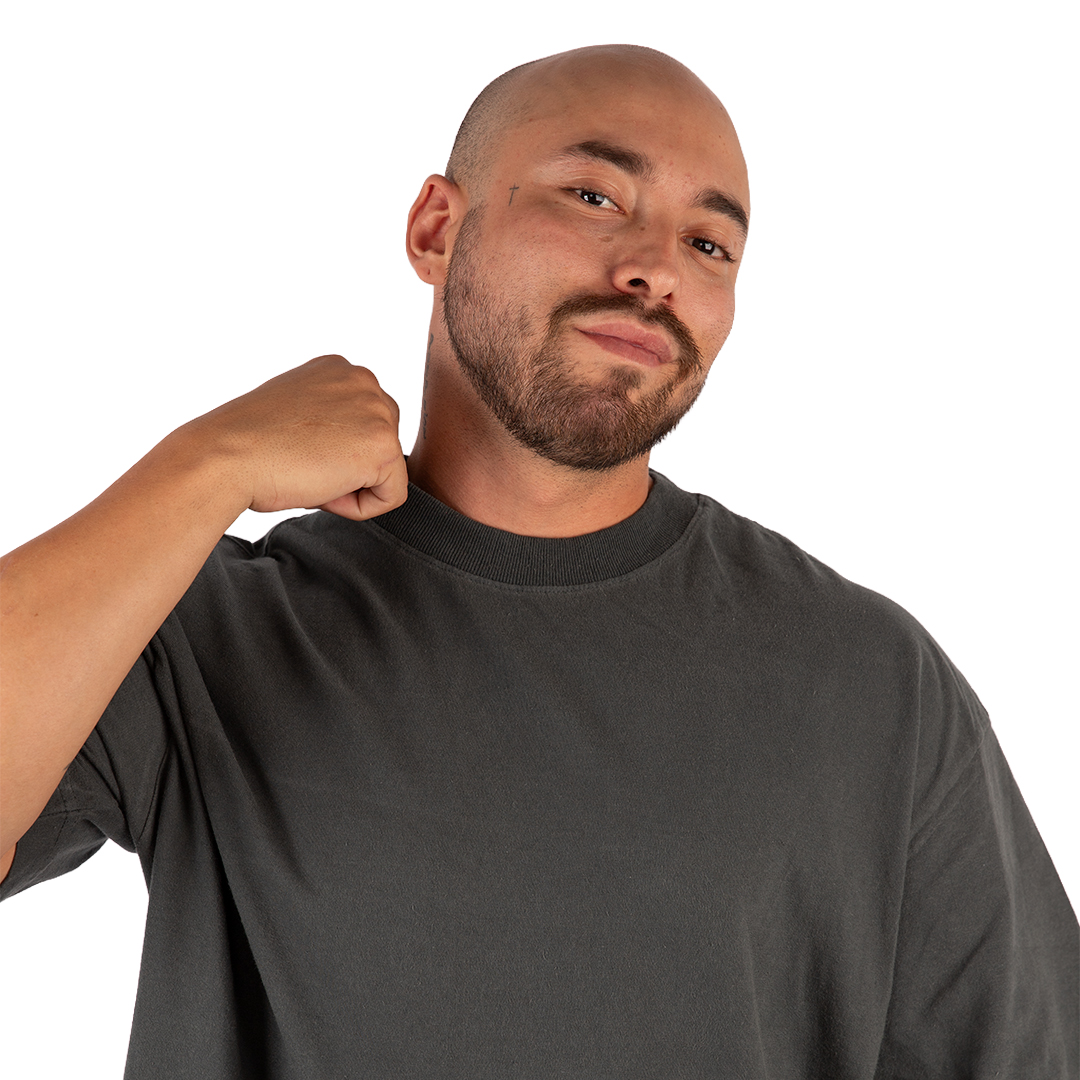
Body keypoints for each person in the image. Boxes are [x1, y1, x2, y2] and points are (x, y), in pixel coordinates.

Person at [1, 42, 1075, 1078]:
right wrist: (205, 464)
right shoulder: (203, 637)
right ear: (437, 229)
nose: (656, 269)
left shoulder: (871, 683)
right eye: (596, 197)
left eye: (710, 245)